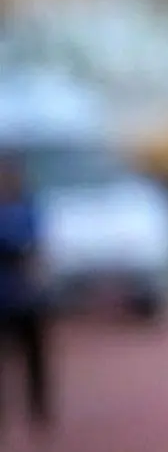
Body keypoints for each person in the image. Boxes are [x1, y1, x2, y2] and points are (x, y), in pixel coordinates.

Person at [0, 152, 52, 438]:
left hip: (25, 296)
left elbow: (35, 245)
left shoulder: (27, 206)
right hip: (4, 298)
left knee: (35, 357)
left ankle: (39, 410)